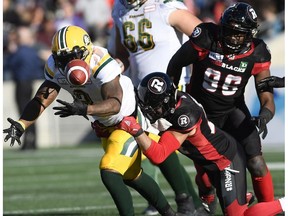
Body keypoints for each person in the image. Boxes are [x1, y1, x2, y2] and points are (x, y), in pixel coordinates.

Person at [3, 25, 181, 216]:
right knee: (132, 175)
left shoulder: (100, 62)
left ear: (85, 50)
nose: (67, 63)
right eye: (62, 58)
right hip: (104, 124)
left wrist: (84, 108)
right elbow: (41, 99)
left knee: (110, 171)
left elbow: (115, 103)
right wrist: (22, 124)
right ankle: (170, 213)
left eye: (72, 56)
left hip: (128, 121)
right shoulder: (55, 66)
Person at [116, 72, 287, 215]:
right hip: (206, 161)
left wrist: (136, 130)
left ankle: (283, 204)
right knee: (210, 192)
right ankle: (238, 196)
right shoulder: (171, 104)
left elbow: (158, 156)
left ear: (167, 102)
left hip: (225, 161)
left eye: (155, 106)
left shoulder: (184, 117)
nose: (149, 109)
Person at [166, 2, 278, 212]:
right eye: (230, 31)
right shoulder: (206, 38)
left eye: (239, 33)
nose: (233, 37)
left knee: (256, 163)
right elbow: (175, 64)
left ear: (250, 34)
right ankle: (207, 192)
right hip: (200, 113)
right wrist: (174, 99)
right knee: (208, 174)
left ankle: (268, 208)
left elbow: (266, 95)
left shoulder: (258, 52)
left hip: (232, 111)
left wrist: (264, 115)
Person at [109, 1, 206, 214]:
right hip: (143, 94)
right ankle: (192, 203)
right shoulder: (120, 10)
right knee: (160, 147)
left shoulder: (165, 6)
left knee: (191, 149)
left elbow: (204, 37)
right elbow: (122, 53)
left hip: (172, 90)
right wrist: (112, 68)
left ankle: (197, 201)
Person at [5, 26, 44, 150]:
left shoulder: (20, 51)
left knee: (24, 113)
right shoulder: (33, 51)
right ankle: (32, 141)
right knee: (30, 112)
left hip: (22, 84)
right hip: (30, 83)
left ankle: (28, 142)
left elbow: (9, 64)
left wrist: (11, 51)